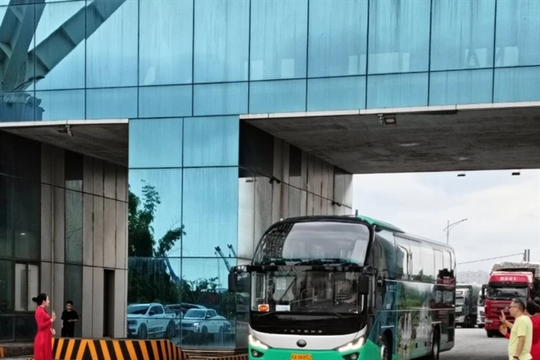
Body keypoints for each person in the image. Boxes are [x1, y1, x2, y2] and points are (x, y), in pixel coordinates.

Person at [33, 293, 56, 360]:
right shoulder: (39, 311)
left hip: (45, 337)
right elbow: (40, 326)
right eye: (48, 299)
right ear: (43, 301)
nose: (49, 301)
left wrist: (50, 329)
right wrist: (51, 320)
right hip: (42, 339)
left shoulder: (42, 310)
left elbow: (44, 324)